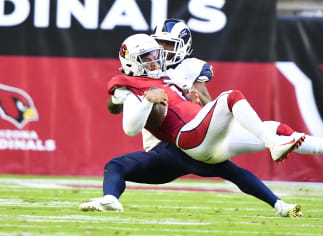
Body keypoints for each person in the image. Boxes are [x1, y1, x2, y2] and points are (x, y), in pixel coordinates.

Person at [80, 20, 302, 217]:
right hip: (168, 149)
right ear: (133, 62)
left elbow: (206, 103)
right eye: (148, 57)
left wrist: (190, 98)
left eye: (156, 54)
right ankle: (110, 198)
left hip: (181, 144)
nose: (157, 59)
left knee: (232, 169)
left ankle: (280, 202)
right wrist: (125, 96)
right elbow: (116, 108)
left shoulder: (172, 75)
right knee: (230, 170)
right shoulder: (130, 84)